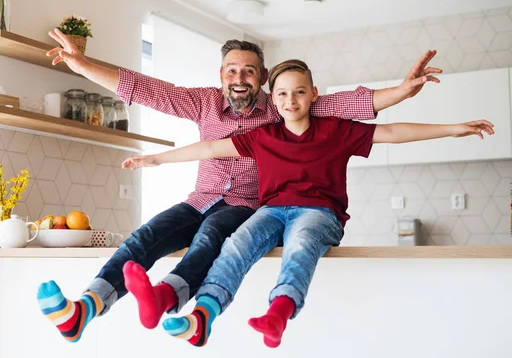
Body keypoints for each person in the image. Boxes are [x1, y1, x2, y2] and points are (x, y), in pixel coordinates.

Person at [37, 28, 442, 343]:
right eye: (232, 70)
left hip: (247, 206)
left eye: (249, 70)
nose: (239, 77)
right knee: (146, 236)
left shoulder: (284, 105)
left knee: (211, 237)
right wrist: (83, 65)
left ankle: (169, 299)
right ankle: (84, 310)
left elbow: (356, 105)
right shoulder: (203, 102)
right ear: (221, 75)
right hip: (199, 200)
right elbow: (147, 90)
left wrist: (405, 89)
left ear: (263, 77)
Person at [121, 59, 494, 348]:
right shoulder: (263, 136)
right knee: (236, 243)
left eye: (298, 92)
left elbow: (393, 132)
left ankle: (278, 314)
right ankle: (199, 313)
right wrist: (156, 159)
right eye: (281, 94)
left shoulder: (336, 129)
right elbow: (208, 148)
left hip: (319, 213)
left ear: (313, 94)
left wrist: (452, 128)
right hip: (270, 211)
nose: (290, 100)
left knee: (300, 243)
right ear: (273, 99)